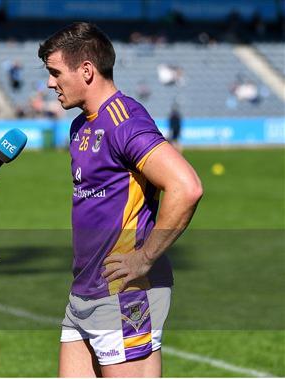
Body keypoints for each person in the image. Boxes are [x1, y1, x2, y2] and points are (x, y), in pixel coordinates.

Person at [38, 23, 203, 377]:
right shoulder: (80, 125)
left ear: (86, 70)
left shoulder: (124, 120)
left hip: (125, 291)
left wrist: (145, 258)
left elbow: (186, 186)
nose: (50, 83)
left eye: (55, 73)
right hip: (86, 288)